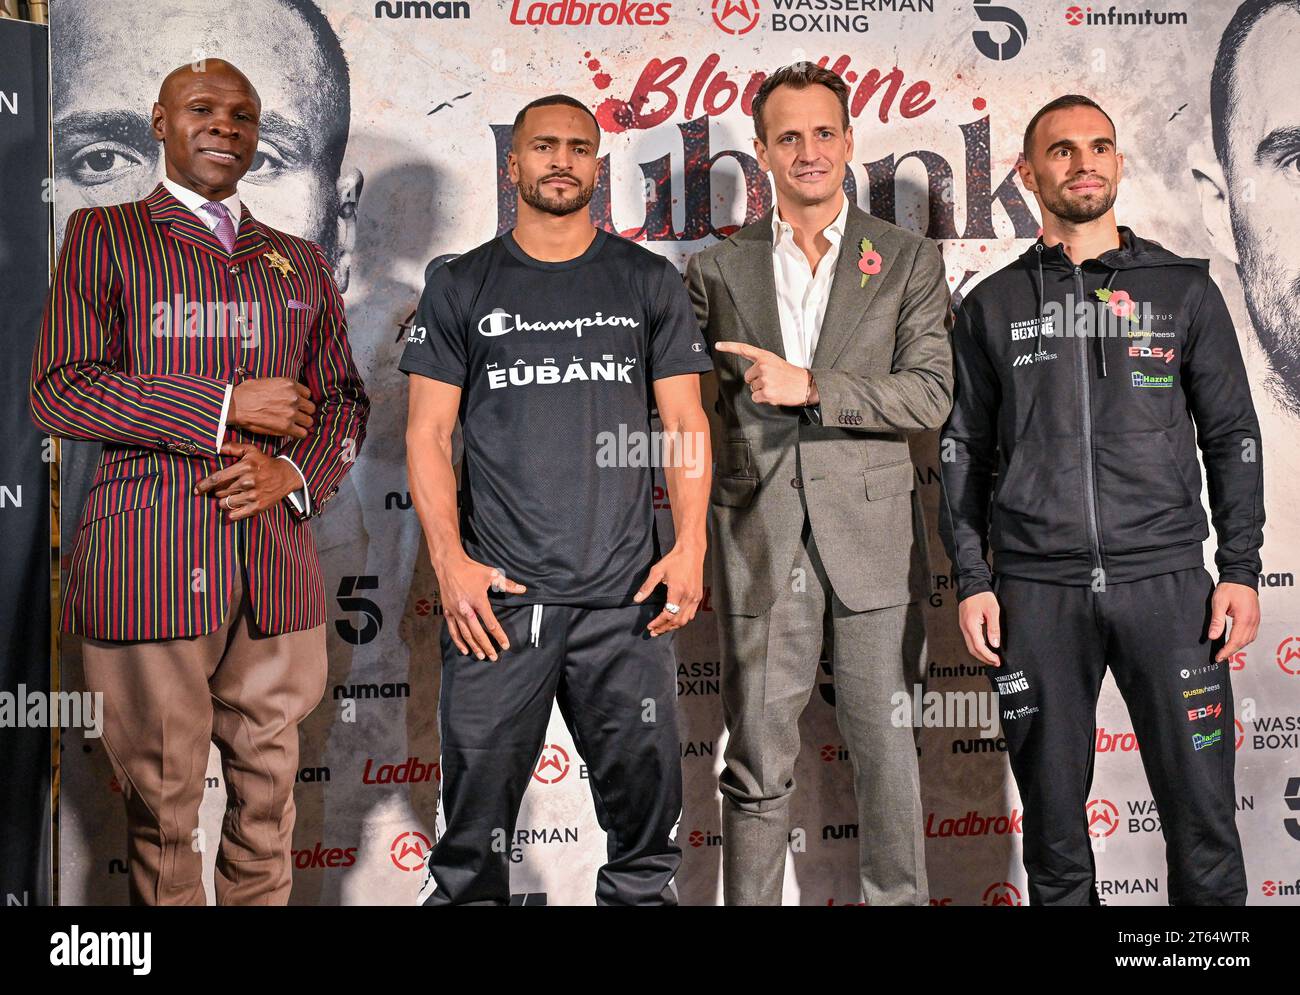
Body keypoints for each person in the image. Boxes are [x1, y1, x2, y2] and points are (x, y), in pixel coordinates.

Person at [29, 60, 370, 905]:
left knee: (267, 810)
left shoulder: (296, 260)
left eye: (244, 115)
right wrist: (221, 406)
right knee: (163, 818)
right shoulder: (104, 237)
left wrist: (294, 470)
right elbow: (59, 386)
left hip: (276, 566)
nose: (226, 126)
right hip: (147, 567)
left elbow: (344, 400)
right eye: (204, 109)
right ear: (160, 121)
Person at [939, 94, 1263, 906]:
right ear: (1027, 172)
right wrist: (974, 579)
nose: (1084, 163)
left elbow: (1231, 436)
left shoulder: (1183, 289)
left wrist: (1242, 567)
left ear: (1117, 163)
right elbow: (964, 453)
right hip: (1036, 595)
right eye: (1062, 150)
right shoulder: (991, 306)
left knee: (1205, 824)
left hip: (1170, 590)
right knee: (1052, 837)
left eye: (1099, 147)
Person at [401, 93, 713, 905]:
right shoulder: (463, 283)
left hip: (625, 601)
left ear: (597, 167)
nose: (563, 160)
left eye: (580, 147)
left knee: (648, 843)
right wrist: (450, 562)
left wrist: (690, 547)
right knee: (471, 845)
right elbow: (429, 437)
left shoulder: (646, 279)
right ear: (514, 163)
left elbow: (684, 420)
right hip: (498, 604)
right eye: (545, 146)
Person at [686, 63, 953, 906]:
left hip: (872, 542)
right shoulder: (713, 271)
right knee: (758, 763)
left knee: (888, 759)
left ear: (848, 141)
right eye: (788, 136)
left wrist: (814, 387)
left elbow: (930, 394)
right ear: (760, 150)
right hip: (756, 540)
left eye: (823, 133)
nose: (809, 151)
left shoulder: (906, 257)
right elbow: (686, 418)